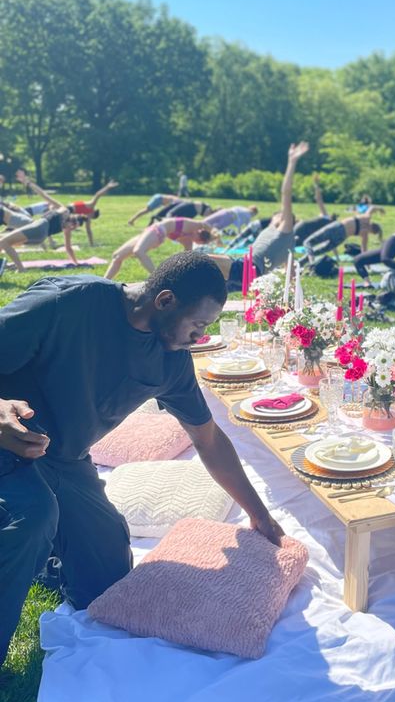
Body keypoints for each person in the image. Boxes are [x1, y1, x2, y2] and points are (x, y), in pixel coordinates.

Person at [0, 252, 284, 665]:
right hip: (8, 441)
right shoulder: (68, 303)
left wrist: (258, 514)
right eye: (198, 325)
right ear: (165, 301)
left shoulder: (171, 362)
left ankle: (42, 553)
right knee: (31, 513)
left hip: (64, 459)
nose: (198, 338)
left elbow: (208, 440)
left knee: (108, 574)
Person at [209, 141, 309, 289]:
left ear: (284, 218)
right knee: (205, 289)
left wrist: (291, 162)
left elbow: (286, 193)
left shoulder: (285, 231)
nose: (273, 216)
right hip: (248, 273)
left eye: (277, 215)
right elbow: (291, 274)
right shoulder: (288, 243)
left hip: (247, 269)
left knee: (197, 261)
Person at [16, 171, 118, 247]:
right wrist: (108, 187)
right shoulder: (91, 205)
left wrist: (91, 244)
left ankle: (47, 241)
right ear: (93, 212)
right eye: (91, 216)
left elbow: (88, 231)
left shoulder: (84, 218)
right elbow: (98, 194)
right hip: (65, 209)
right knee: (47, 211)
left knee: (49, 224)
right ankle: (47, 241)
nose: (89, 217)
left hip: (66, 215)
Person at [104, 217, 216, 280]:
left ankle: (158, 277)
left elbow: (187, 258)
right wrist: (215, 235)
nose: (196, 240)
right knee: (117, 256)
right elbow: (205, 223)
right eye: (199, 238)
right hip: (156, 230)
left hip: (157, 233)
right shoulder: (195, 226)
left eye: (199, 242)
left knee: (139, 251)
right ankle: (104, 282)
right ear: (201, 233)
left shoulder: (188, 240)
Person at [0, 205, 84, 276]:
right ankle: (13, 267)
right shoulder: (67, 229)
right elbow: (68, 248)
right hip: (41, 237)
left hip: (40, 226)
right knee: (4, 241)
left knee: (4, 241)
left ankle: (21, 269)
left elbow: (55, 204)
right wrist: (76, 263)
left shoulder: (64, 211)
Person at [303, 211, 383, 259]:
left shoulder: (366, 217)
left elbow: (372, 208)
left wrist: (380, 209)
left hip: (338, 227)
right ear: (372, 232)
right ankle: (306, 260)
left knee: (308, 242)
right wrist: (366, 265)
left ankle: (310, 259)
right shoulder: (365, 234)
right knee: (319, 251)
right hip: (341, 237)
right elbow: (364, 250)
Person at [292, 175, 336, 247]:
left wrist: (316, 185)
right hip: (302, 229)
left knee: (293, 243)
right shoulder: (326, 219)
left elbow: (318, 199)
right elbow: (319, 199)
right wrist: (316, 185)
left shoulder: (325, 218)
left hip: (302, 227)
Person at [149, 199, 213, 225]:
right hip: (190, 207)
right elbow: (207, 220)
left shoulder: (208, 209)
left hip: (192, 210)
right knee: (170, 215)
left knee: (178, 221)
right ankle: (157, 219)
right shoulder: (208, 209)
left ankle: (159, 220)